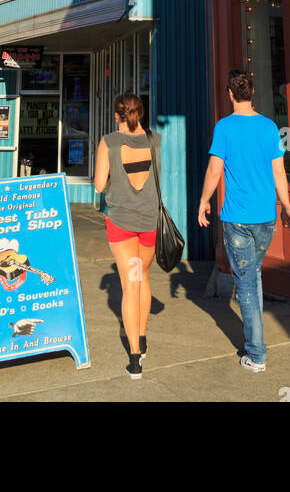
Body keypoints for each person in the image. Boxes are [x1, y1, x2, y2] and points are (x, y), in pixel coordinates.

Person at [198, 68, 290, 373]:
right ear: (251, 93)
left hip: (237, 220)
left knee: (247, 286)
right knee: (252, 278)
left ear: (230, 94)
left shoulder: (224, 128)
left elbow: (215, 170)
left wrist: (203, 202)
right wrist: (288, 208)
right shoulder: (269, 127)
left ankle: (256, 354)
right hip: (265, 218)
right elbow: (279, 173)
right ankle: (254, 345)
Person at [94, 93, 159, 380]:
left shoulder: (109, 142)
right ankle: (142, 339)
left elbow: (98, 186)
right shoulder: (155, 140)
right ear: (140, 113)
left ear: (117, 114)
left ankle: (135, 359)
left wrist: (115, 177)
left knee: (129, 285)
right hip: (149, 221)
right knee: (143, 277)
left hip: (121, 222)